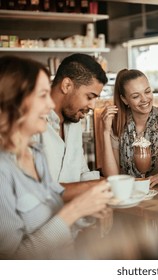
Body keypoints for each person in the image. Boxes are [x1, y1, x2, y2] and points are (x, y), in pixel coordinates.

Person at [0, 56, 112, 259]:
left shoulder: (35, 154)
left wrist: (89, 209)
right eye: (42, 95)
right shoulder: (4, 169)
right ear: (15, 102)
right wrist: (77, 208)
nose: (50, 103)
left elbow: (51, 206)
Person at [32, 53, 108, 201]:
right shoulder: (30, 123)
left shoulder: (74, 122)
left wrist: (112, 184)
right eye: (89, 97)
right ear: (67, 85)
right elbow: (31, 190)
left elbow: (80, 173)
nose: (93, 106)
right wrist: (91, 187)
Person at [101, 69, 158, 188]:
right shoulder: (117, 122)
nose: (144, 99)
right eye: (136, 96)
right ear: (124, 99)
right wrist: (106, 132)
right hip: (126, 191)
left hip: (156, 190)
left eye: (147, 91)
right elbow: (112, 176)